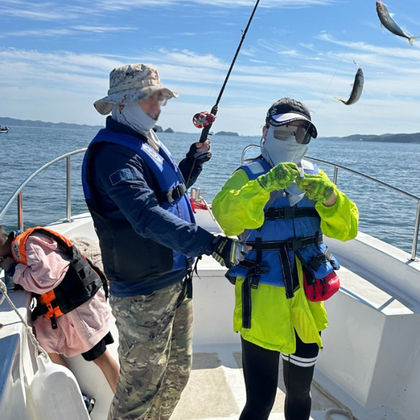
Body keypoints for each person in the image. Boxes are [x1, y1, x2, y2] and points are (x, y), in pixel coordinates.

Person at [81, 63, 246, 420]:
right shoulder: (113, 155)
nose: (157, 107)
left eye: (160, 99)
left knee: (175, 374)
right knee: (139, 389)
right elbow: (144, 215)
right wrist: (214, 244)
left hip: (175, 280)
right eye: (150, 99)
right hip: (143, 291)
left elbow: (168, 194)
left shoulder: (144, 141)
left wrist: (192, 162)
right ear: (122, 104)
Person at [212, 97, 359, 420]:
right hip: (263, 302)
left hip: (306, 302)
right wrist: (263, 186)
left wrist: (331, 197)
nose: (293, 140)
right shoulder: (248, 175)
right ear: (265, 132)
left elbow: (348, 229)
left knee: (300, 392)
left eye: (302, 133)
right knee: (261, 401)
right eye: (284, 132)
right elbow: (227, 217)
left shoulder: (316, 177)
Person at [0, 226, 120, 401]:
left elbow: (46, 278)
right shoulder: (19, 249)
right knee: (44, 343)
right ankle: (78, 398)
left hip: (82, 306)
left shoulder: (31, 243)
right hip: (65, 309)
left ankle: (130, 409)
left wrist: (13, 270)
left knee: (100, 356)